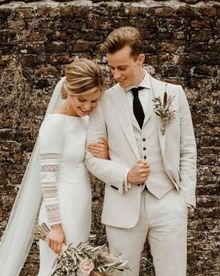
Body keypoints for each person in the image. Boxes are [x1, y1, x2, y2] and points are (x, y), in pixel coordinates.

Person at [86, 26, 197, 276]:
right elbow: (91, 157)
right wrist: (125, 175)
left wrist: (185, 199)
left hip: (168, 202)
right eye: (111, 67)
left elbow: (188, 149)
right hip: (121, 206)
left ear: (140, 59)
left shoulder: (173, 94)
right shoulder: (103, 100)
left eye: (122, 67)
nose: (115, 74)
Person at [0, 58, 108, 276]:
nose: (87, 106)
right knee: (54, 270)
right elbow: (47, 178)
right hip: (60, 209)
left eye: (93, 101)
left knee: (75, 272)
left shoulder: (87, 120)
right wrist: (55, 226)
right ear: (68, 90)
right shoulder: (55, 124)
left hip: (80, 205)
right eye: (82, 99)